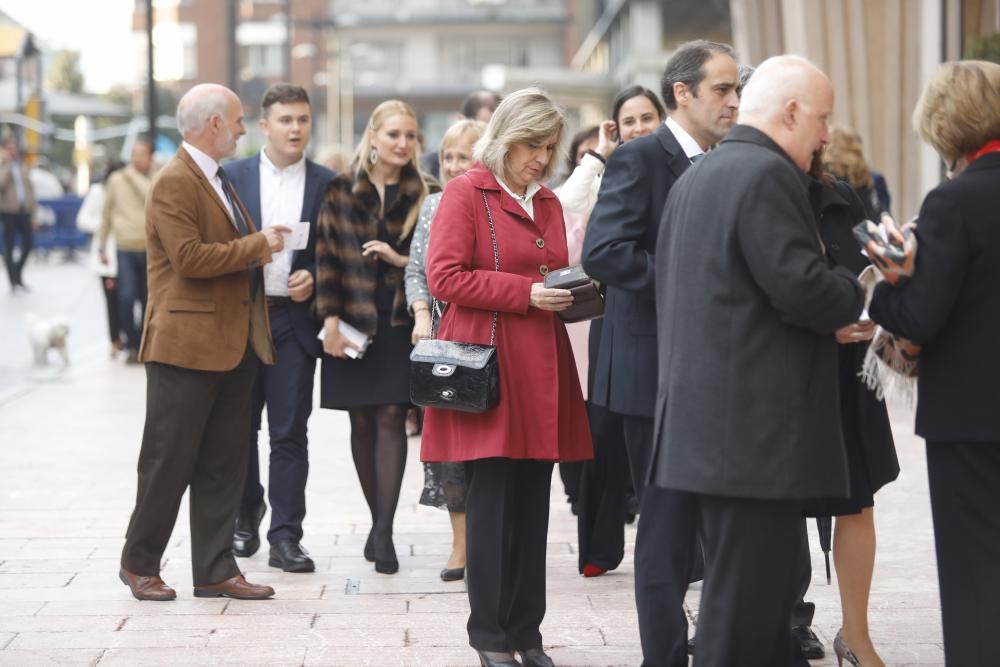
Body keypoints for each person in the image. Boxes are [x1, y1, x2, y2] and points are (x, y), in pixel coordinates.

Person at [651, 54, 864, 666]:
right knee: (739, 617)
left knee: (762, 614)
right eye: (822, 119)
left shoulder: (704, 174)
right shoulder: (765, 175)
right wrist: (858, 290)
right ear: (792, 111)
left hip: (717, 438)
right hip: (754, 444)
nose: (826, 135)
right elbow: (801, 286)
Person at [422, 87, 592, 667]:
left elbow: (554, 267)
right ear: (504, 137)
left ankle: (528, 632)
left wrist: (576, 291)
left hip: (542, 366)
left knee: (531, 510)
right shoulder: (466, 192)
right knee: (492, 511)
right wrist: (525, 292)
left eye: (548, 147)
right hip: (490, 371)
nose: (540, 158)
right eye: (530, 145)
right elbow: (444, 276)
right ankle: (490, 637)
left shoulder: (545, 201)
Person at [582, 41, 740, 666]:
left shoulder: (732, 159)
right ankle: (665, 655)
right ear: (683, 92)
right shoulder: (641, 157)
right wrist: (691, 278)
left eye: (737, 90)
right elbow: (604, 253)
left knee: (718, 523)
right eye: (723, 89)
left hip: (717, 369)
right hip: (651, 370)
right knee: (666, 526)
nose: (734, 100)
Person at [118, 83, 289, 602]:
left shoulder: (217, 178)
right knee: (169, 459)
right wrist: (259, 246)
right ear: (213, 124)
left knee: (224, 461)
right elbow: (190, 259)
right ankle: (138, 561)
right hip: (184, 346)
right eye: (238, 120)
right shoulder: (174, 181)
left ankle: (215, 568)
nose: (243, 128)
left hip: (232, 344)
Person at [868, 59, 1000, 666]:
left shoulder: (953, 202)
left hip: (972, 417)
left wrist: (892, 281)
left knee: (974, 569)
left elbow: (918, 318)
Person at [316, 99, 436, 576]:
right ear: (373, 137)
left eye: (410, 135)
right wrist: (327, 322)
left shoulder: (428, 194)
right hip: (350, 323)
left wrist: (399, 258)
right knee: (360, 423)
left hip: (401, 326)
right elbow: (326, 259)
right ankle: (376, 519)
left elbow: (435, 263)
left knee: (391, 416)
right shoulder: (340, 190)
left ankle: (384, 530)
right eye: (394, 135)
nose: (403, 144)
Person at [225, 84, 335, 572]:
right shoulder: (232, 177)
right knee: (239, 428)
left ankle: (286, 537)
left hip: (295, 321)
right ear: (264, 125)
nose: (296, 128)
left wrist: (317, 276)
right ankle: (245, 516)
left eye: (303, 120)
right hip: (243, 318)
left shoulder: (328, 184)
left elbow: (340, 255)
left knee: (290, 433)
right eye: (286, 120)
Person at [559, 85, 666, 580]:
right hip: (603, 315)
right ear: (616, 128)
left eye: (648, 117)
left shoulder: (676, 166)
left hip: (663, 313)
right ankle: (600, 545)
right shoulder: (611, 171)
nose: (640, 127)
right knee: (601, 432)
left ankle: (671, 545)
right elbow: (565, 214)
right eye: (630, 120)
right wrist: (598, 156)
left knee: (651, 436)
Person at [807, 148, 899, 667]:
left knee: (858, 500)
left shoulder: (839, 194)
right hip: (784, 369)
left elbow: (869, 261)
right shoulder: (750, 189)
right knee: (771, 509)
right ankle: (776, 624)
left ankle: (856, 636)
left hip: (848, 368)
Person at [404, 118, 484, 583]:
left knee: (490, 445)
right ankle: (461, 545)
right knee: (451, 448)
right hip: (443, 343)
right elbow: (416, 270)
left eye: (465, 156)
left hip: (490, 337)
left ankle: (492, 537)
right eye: (448, 157)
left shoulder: (495, 203)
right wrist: (421, 315)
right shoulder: (432, 206)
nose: (454, 166)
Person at [99, 136, 154, 364]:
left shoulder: (154, 179)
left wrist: (136, 179)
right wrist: (102, 245)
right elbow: (106, 213)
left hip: (149, 249)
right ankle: (131, 344)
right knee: (126, 297)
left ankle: (143, 344)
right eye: (135, 154)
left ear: (150, 158)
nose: (137, 158)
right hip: (124, 248)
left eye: (142, 154)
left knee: (148, 299)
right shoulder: (115, 180)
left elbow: (152, 198)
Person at [77, 162, 125, 357]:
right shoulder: (98, 192)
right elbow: (83, 220)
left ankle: (129, 337)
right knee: (112, 301)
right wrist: (106, 224)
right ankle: (114, 339)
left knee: (129, 299)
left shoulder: (129, 191)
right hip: (107, 256)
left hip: (129, 250)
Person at [421, 90, 502, 179]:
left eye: (492, 130)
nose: (488, 139)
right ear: (461, 120)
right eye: (448, 157)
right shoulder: (429, 167)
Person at [0, 132, 36, 292]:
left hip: (24, 210)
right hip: (8, 211)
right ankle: (13, 281)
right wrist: (7, 165)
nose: (12, 149)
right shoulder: (3, 165)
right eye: (9, 146)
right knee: (9, 246)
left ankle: (17, 272)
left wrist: (34, 212)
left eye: (14, 146)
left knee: (28, 245)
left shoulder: (23, 165)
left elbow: (30, 189)